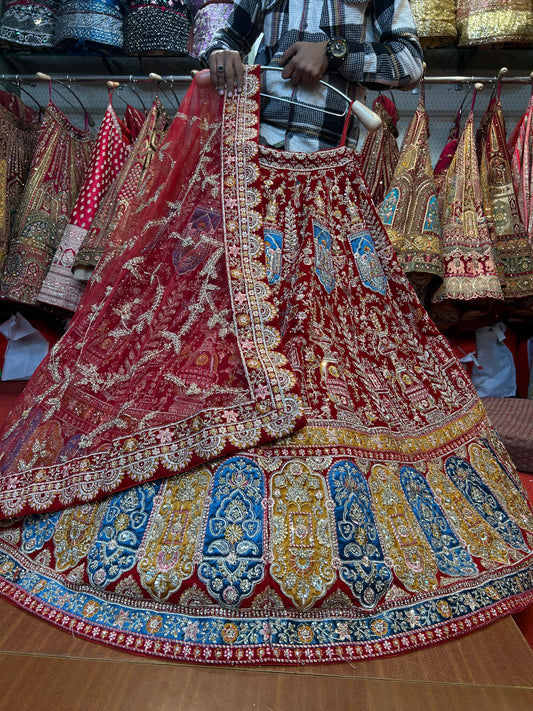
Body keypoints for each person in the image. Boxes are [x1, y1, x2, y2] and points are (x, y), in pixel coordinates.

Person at [201, 0, 424, 151]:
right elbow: (227, 40)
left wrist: (335, 52)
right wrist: (219, 54)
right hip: (253, 151)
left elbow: (410, 63)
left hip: (328, 162)